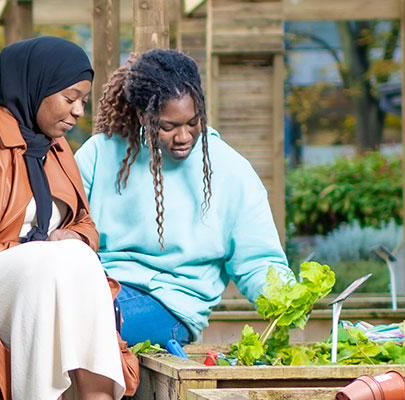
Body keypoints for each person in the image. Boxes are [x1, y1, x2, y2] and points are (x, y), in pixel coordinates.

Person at [0, 36, 132, 400]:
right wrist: (38, 251)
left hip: (47, 281)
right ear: (36, 87)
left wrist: (73, 241)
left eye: (83, 100)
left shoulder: (59, 149)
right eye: (70, 98)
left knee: (76, 258)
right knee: (52, 265)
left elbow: (85, 225)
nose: (80, 111)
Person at [75, 49, 294, 347]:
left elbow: (257, 260)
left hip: (171, 306)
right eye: (168, 127)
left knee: (89, 322)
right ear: (143, 115)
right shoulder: (99, 154)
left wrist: (288, 297)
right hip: (97, 287)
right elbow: (66, 228)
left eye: (193, 122)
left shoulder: (231, 170)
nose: (183, 136)